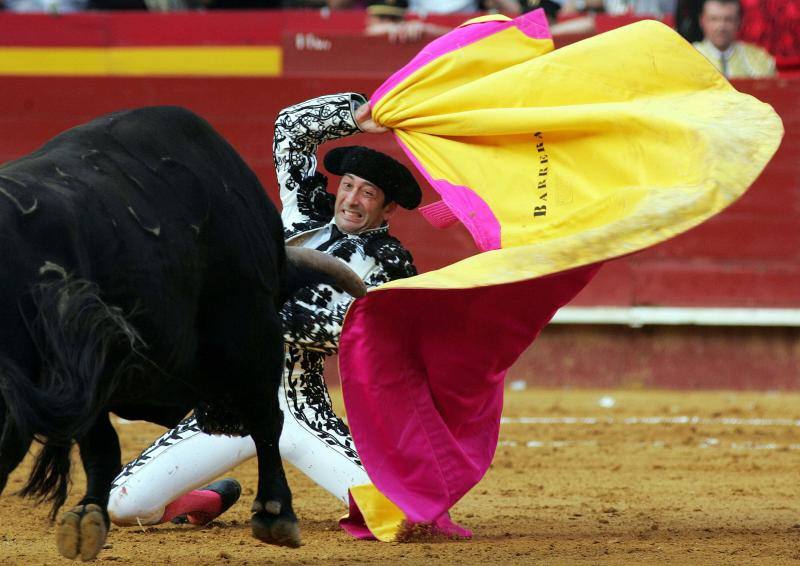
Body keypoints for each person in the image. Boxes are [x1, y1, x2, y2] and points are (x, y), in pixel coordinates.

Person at [106, 92, 421, 527]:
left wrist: (244, 306)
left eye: (368, 193)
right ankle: (201, 498)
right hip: (229, 408)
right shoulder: (303, 215)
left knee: (399, 517)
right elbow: (290, 130)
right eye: (347, 185)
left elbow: (350, 331)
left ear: (387, 208)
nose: (351, 199)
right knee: (123, 507)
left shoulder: (389, 261)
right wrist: (353, 116)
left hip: (300, 412)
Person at [692, 0, 775, 77]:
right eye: (714, 19)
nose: (721, 27)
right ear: (702, 21)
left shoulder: (759, 59)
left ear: (739, 21)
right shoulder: (689, 56)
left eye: (728, 20)